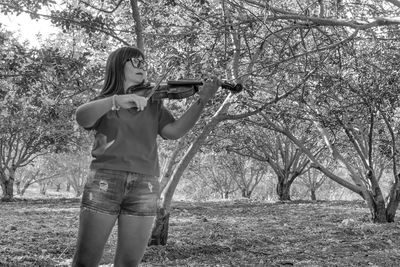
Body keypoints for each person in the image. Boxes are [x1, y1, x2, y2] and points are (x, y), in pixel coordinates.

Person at [72, 46, 220, 267]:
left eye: (145, 63)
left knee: (130, 262)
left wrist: (201, 102)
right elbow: (82, 117)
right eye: (136, 62)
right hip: (105, 181)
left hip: (145, 185)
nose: (143, 67)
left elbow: (173, 132)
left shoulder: (153, 102)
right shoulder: (103, 101)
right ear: (118, 65)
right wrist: (116, 101)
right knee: (86, 260)